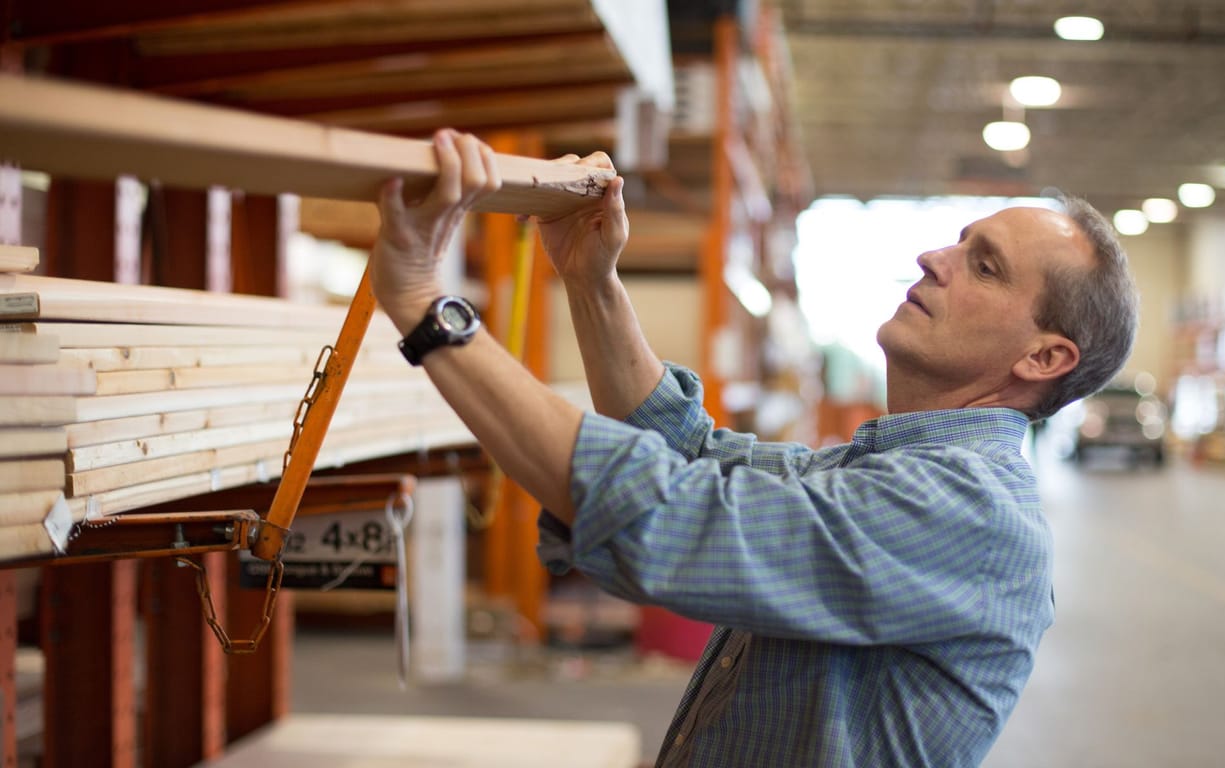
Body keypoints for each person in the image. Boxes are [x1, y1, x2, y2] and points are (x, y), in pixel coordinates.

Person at [369, 129, 1139, 767]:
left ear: (1044, 359)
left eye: (985, 265)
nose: (935, 258)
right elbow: (685, 452)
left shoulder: (969, 513)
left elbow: (674, 513)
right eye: (960, 240)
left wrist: (425, 306)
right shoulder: (883, 468)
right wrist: (590, 278)